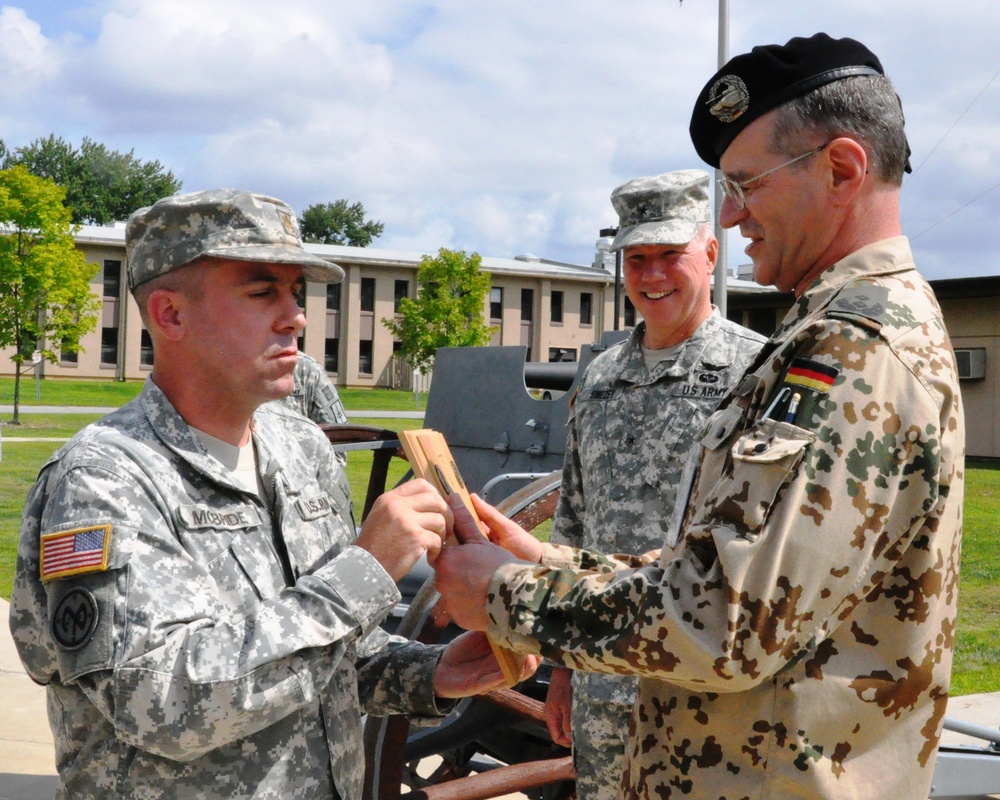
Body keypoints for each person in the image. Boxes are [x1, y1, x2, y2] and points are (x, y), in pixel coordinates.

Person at [434, 32, 964, 800]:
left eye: (748, 185)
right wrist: (548, 563)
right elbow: (725, 564)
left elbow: (728, 622)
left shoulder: (854, 349)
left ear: (842, 169)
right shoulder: (826, 333)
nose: (731, 214)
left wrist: (507, 598)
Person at [8, 189, 529, 800]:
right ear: (171, 315)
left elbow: (326, 655)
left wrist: (428, 673)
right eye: (262, 293)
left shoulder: (301, 449)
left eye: (295, 292)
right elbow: (157, 702)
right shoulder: (104, 479)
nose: (296, 316)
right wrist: (364, 571)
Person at [543, 169, 764, 800]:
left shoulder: (754, 372)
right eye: (636, 259)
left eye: (671, 255)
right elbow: (572, 525)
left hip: (706, 685)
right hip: (604, 676)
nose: (652, 275)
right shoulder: (601, 378)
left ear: (712, 253)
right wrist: (562, 668)